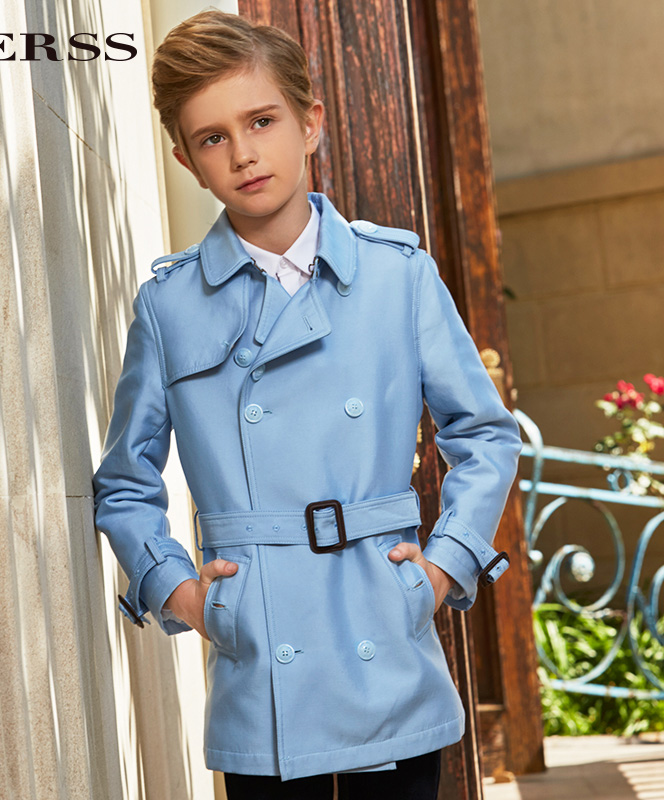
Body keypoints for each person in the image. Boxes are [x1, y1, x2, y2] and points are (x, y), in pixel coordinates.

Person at [93, 9, 523, 799]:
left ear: (310, 123)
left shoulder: (398, 275)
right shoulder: (169, 307)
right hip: (260, 654)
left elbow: (485, 435)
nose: (244, 153)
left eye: (262, 121)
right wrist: (183, 594)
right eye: (213, 137)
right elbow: (124, 484)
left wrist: (440, 570)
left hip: (381, 629)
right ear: (187, 161)